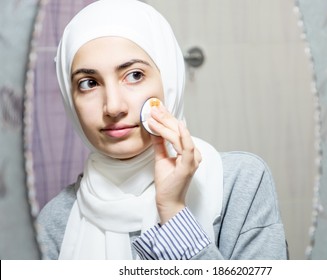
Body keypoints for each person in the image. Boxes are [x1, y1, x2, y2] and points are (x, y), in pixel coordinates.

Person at [37, 0, 288, 260]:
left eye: (134, 75)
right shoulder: (54, 223)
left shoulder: (240, 183)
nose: (113, 107)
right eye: (89, 83)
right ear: (70, 99)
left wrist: (174, 212)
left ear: (168, 80)